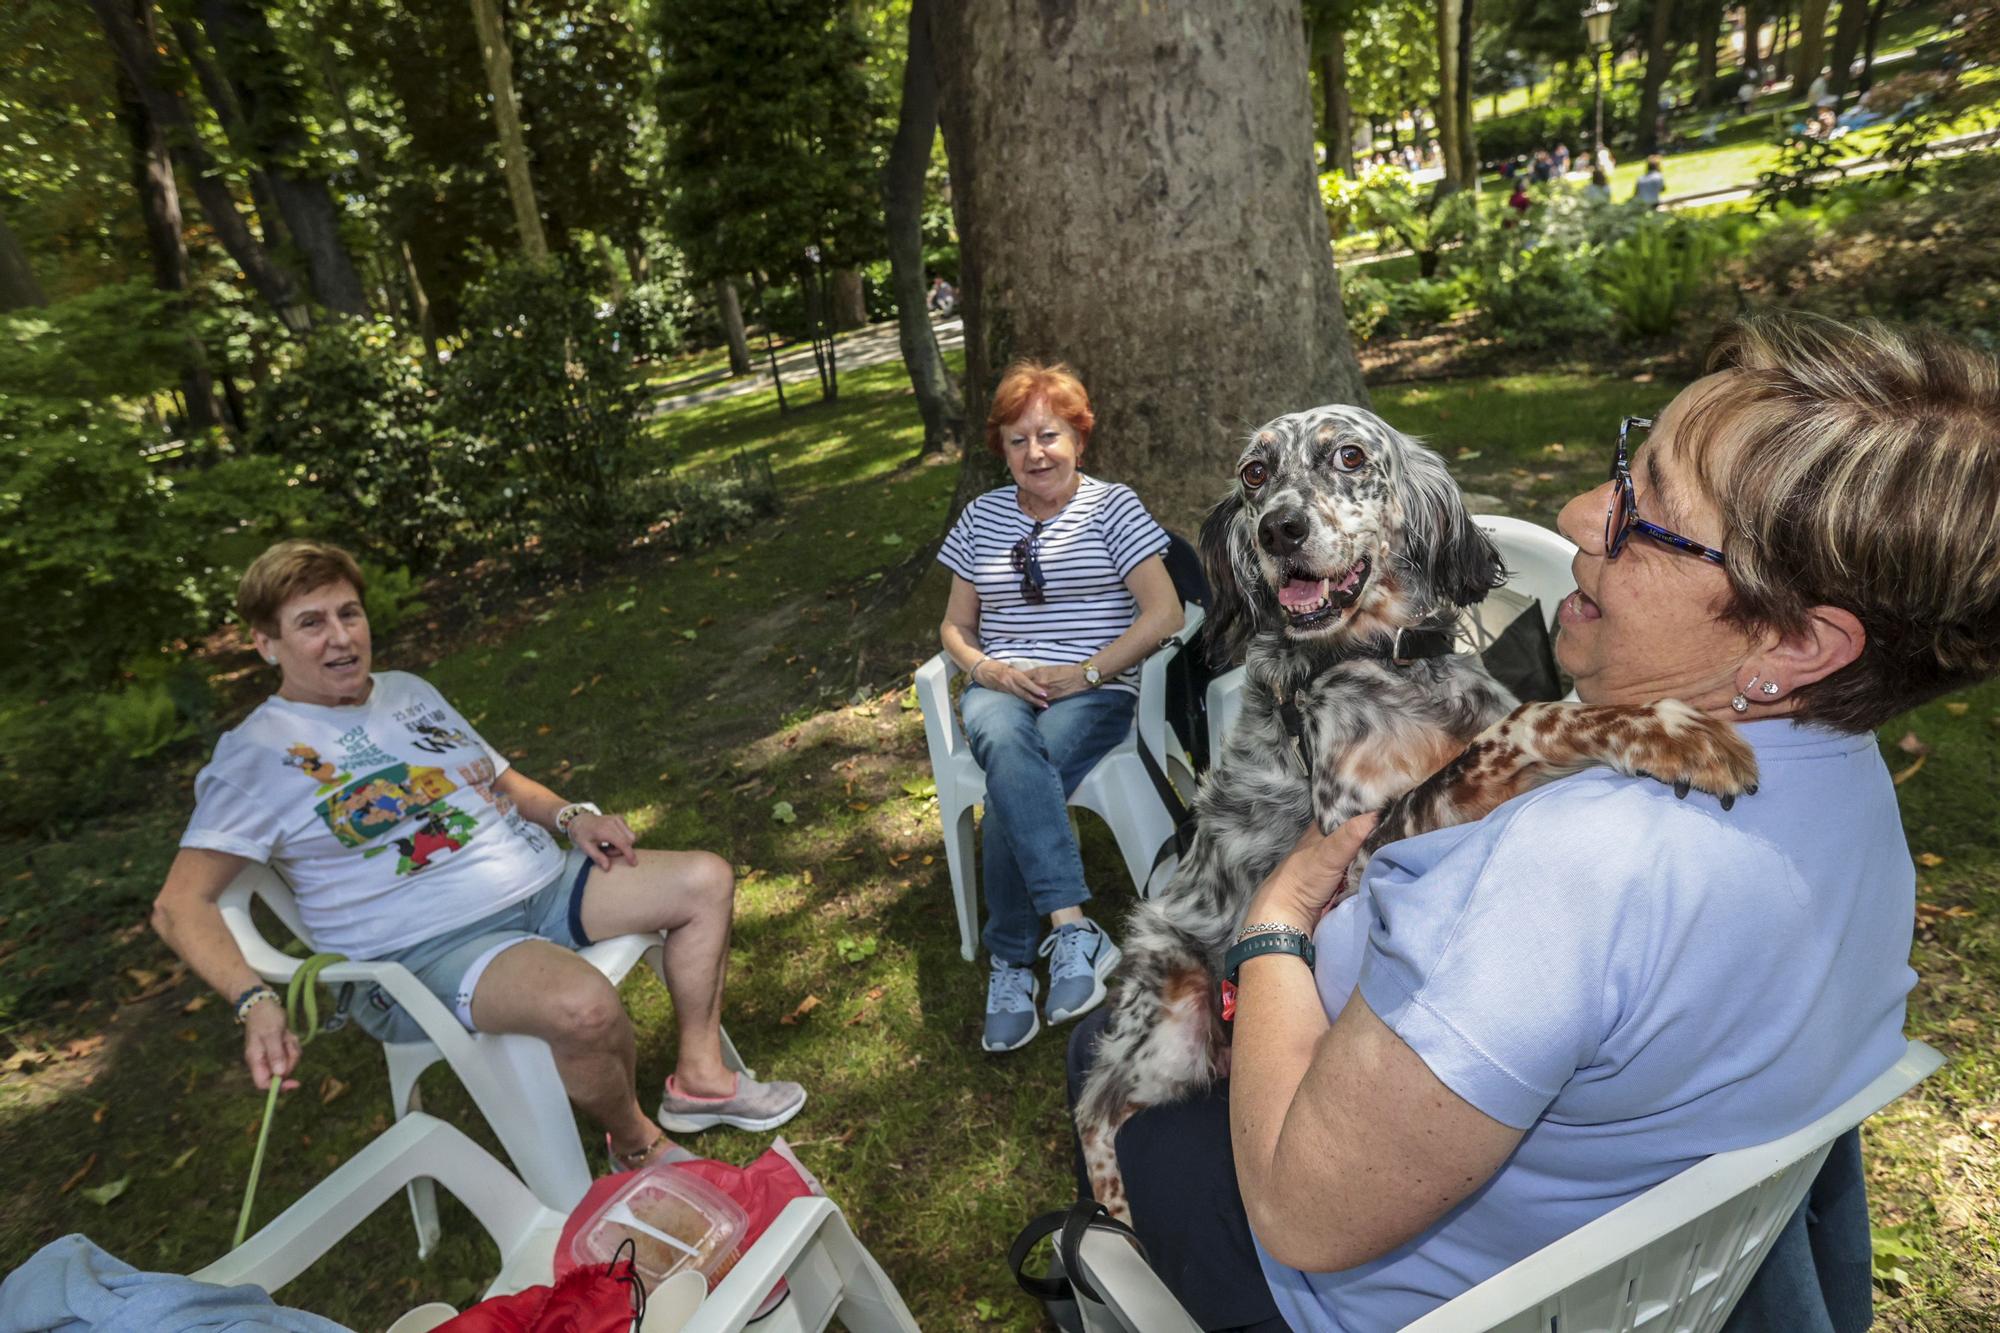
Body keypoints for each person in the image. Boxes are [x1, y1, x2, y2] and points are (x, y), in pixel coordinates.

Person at [1066, 312, 2000, 1328]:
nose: (1579, 510)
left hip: (1393, 1292)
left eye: (1647, 517)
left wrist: (1278, 919)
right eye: (1624, 466)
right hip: (1618, 1252)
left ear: (1800, 641)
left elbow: (1300, 1215)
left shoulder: (1572, 874)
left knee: (1097, 1049)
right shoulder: (1845, 780)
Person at [153, 541, 806, 1172]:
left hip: (542, 887)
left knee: (704, 880)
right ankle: (635, 1143)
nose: (342, 637)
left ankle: (700, 1077)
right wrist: (253, 1000)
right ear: (267, 644)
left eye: (349, 613)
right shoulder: (254, 755)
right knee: (584, 1007)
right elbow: (179, 904)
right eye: (311, 623)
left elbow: (498, 780)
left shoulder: (406, 690)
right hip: (427, 949)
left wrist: (570, 815)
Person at [937, 361, 1183, 1053]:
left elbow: (1163, 613)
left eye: (1048, 435)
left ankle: (1012, 959)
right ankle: (1071, 928)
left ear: (1078, 436)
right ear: (1002, 449)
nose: (1034, 453)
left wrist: (1086, 671)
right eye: (1017, 440)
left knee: (1017, 770)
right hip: (1001, 686)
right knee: (1003, 736)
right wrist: (985, 667)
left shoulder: (1114, 507)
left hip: (1094, 688)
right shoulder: (982, 515)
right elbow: (953, 627)